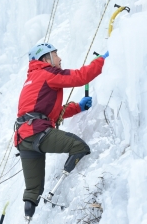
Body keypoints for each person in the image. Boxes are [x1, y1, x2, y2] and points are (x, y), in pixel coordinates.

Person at [14, 43, 109, 220]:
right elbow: (81, 77)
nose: (60, 59)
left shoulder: (32, 79)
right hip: (37, 132)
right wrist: (102, 60)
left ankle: (28, 220)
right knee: (79, 146)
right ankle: (59, 188)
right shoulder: (47, 73)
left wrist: (78, 107)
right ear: (45, 59)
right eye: (56, 55)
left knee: (32, 192)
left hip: (23, 139)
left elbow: (50, 113)